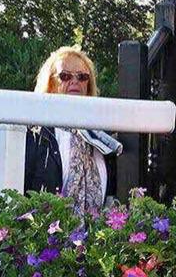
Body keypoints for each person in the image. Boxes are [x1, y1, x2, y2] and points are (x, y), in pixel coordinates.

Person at [26, 45, 122, 214]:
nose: (75, 81)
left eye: (82, 77)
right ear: (50, 84)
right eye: (65, 76)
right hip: (46, 229)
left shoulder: (102, 136)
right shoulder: (35, 133)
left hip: (97, 229)